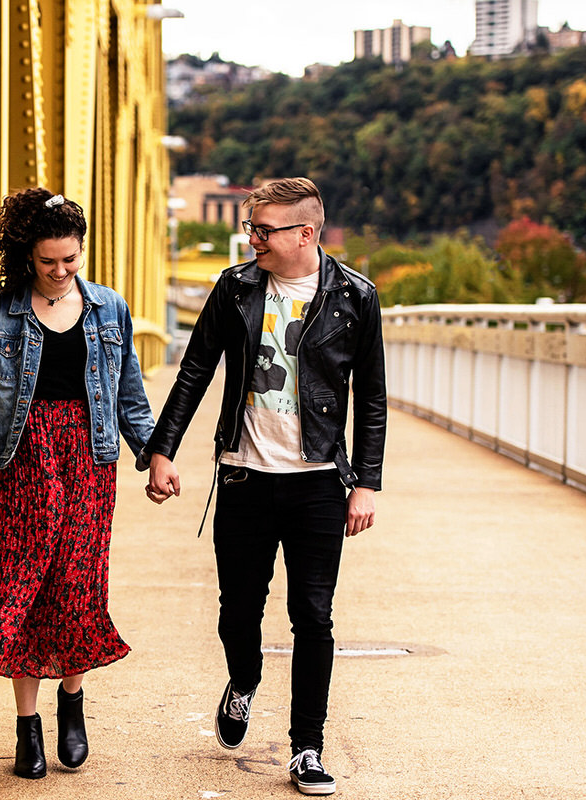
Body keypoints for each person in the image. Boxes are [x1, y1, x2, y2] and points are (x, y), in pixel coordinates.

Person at [142, 177, 387, 796]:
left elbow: (373, 399)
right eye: (252, 228)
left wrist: (367, 484)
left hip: (319, 484)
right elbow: (195, 368)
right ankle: (243, 681)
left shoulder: (355, 297)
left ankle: (307, 747)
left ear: (306, 233)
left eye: (265, 230)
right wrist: (162, 450)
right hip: (245, 477)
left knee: (314, 616)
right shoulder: (236, 288)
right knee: (239, 609)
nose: (253, 239)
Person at [0, 187, 155, 780]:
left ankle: (73, 702)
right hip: (19, 464)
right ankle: (26, 727)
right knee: (24, 590)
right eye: (49, 262)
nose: (62, 272)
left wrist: (155, 455)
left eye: (71, 259)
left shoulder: (110, 309)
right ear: (27, 257)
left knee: (77, 584)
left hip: (89, 462)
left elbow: (130, 399)